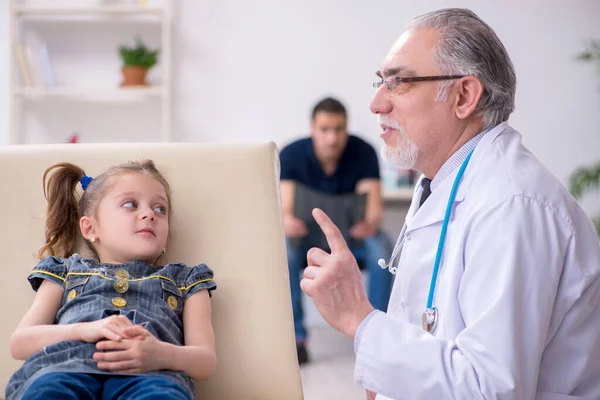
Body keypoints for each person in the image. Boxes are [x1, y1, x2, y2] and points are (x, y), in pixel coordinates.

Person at [300, 8, 600, 400]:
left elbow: (490, 390)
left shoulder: (513, 206)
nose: (376, 104)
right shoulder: (439, 180)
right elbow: (425, 326)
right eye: (380, 82)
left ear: (464, 96)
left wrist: (360, 320)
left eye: (399, 82)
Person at [6, 160, 217, 400]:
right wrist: (87, 330)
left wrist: (162, 354)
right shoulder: (65, 271)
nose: (149, 214)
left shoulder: (186, 281)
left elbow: (205, 361)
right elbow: (20, 343)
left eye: (160, 209)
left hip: (151, 377)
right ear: (90, 228)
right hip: (62, 370)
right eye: (130, 204)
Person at [279, 97, 393, 364]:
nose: (332, 137)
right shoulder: (291, 155)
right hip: (307, 241)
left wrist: (369, 224)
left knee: (382, 250)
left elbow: (373, 214)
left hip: (351, 241)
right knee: (284, 252)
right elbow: (284, 214)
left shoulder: (363, 152)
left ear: (347, 127)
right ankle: (297, 339)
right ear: (312, 129)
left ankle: (377, 337)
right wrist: (287, 222)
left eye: (339, 129)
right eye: (325, 129)